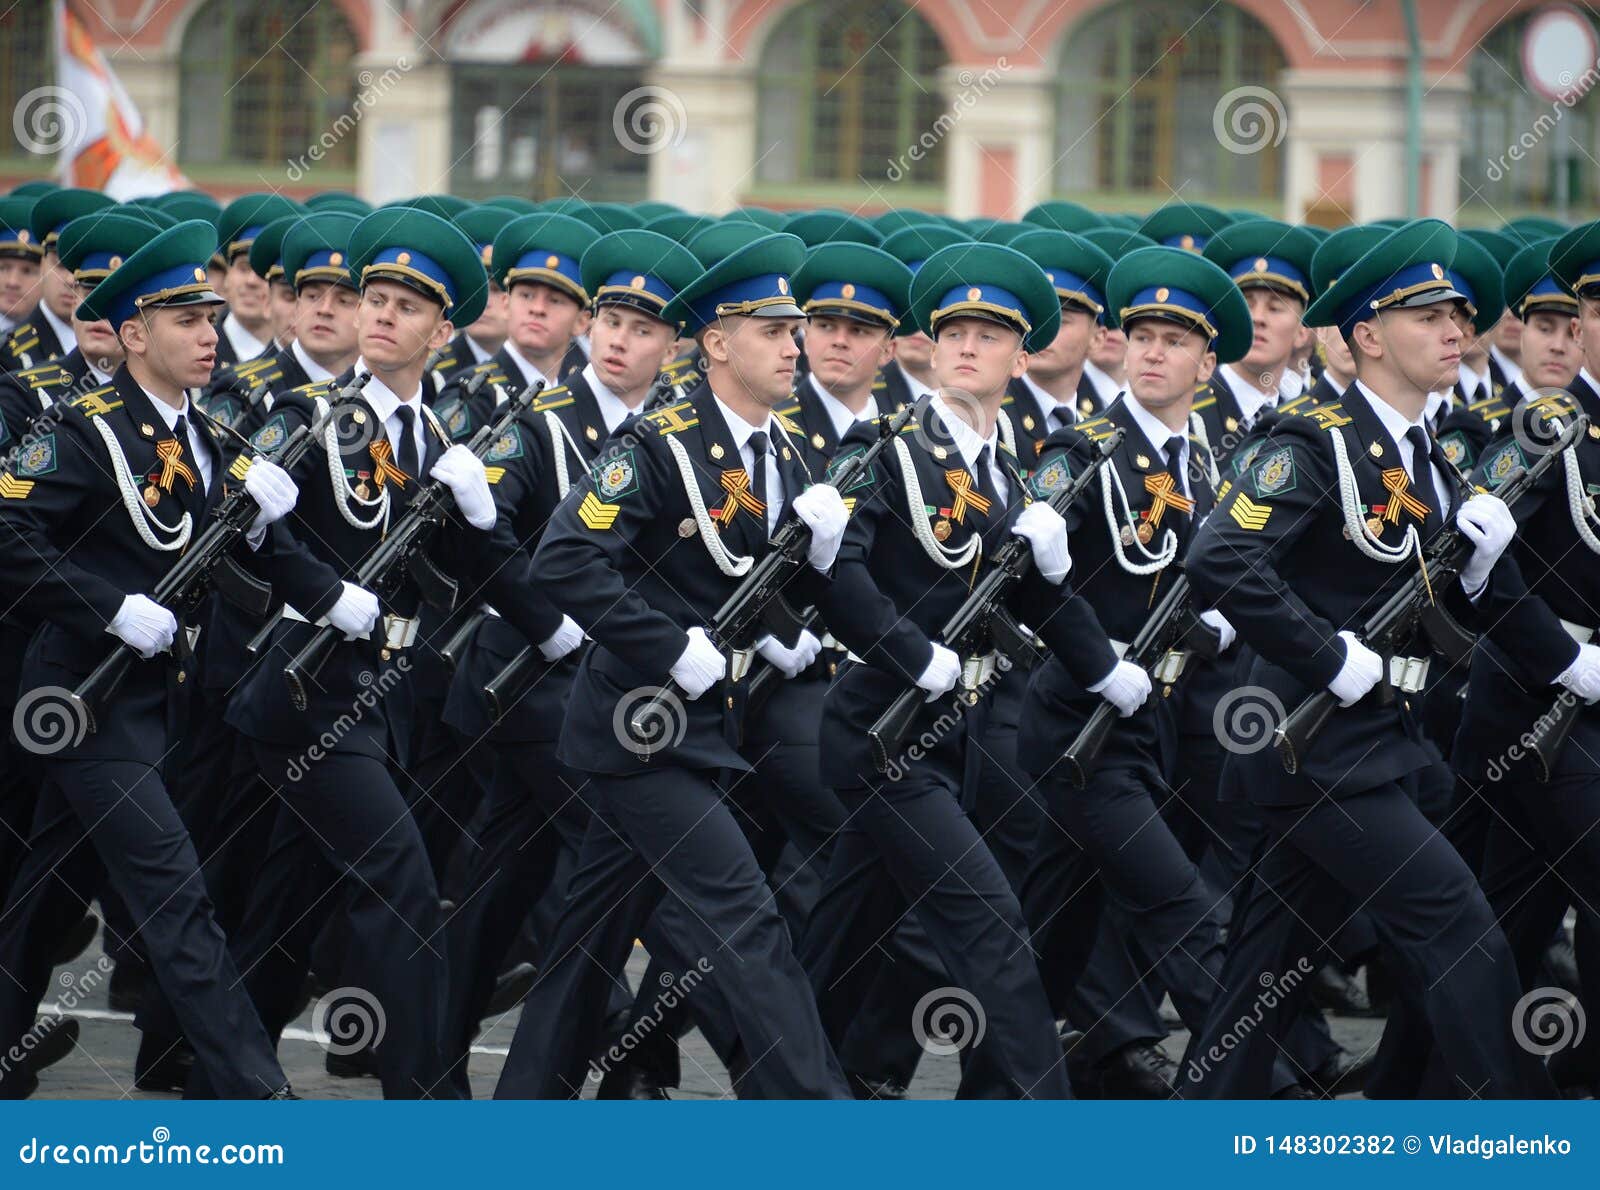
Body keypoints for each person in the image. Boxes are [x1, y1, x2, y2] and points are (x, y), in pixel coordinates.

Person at [1179, 219, 1555, 1099]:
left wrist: (1486, 570)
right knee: (1458, 925)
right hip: (1315, 750)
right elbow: (1218, 558)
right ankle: (1523, 1132)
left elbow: (1433, 598)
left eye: (1458, 312)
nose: (1455, 327)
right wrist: (1326, 657)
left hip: (1374, 741)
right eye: (1426, 315)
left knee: (1262, 968)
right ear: (1368, 336)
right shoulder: (1318, 440)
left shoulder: (1426, 451)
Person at [494, 232, 851, 1100]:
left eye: (793, 330)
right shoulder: (658, 443)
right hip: (640, 727)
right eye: (774, 331)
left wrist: (818, 573)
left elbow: (748, 581)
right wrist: (668, 644)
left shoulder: (787, 452)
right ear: (720, 344)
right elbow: (566, 558)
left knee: (585, 947)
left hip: (700, 725)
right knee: (745, 918)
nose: (794, 346)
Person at [0, 218, 300, 1100]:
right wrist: (107, 607)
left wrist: (261, 525)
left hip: (161, 701)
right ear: (133, 335)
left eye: (211, 319)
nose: (209, 336)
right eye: (185, 321)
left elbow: (214, 557)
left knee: (45, 895)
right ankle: (254, 1088)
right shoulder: (81, 430)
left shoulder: (206, 432)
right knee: (176, 895)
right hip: (83, 700)